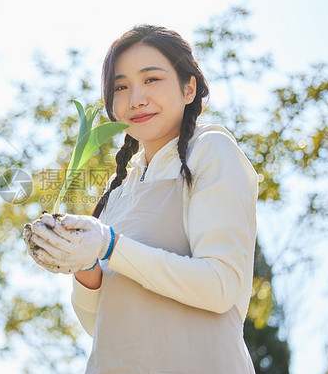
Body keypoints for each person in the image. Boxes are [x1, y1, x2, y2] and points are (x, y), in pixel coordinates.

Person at [24, 24, 258, 374]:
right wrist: (84, 262)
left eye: (151, 80)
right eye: (122, 86)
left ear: (189, 87)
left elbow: (221, 286)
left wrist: (109, 245)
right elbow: (98, 325)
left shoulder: (210, 150)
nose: (136, 99)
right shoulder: (118, 191)